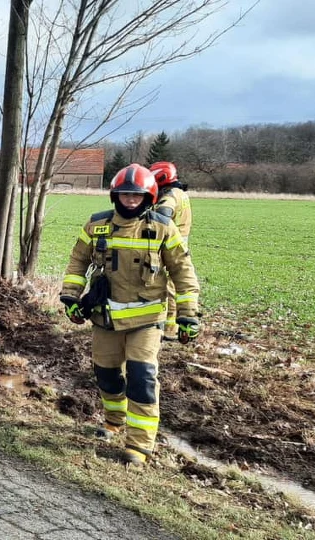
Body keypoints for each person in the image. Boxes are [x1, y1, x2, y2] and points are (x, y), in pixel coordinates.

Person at [59, 163, 202, 466]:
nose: (131, 199)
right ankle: (114, 421)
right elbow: (77, 261)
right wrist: (70, 296)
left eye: (137, 195)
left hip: (146, 321)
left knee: (141, 377)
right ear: (116, 196)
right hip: (105, 318)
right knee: (106, 375)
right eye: (125, 194)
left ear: (148, 197)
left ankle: (139, 445)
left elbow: (183, 272)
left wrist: (188, 314)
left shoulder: (163, 227)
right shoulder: (96, 225)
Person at [148, 161, 193, 339]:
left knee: (169, 288)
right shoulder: (181, 193)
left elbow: (161, 217)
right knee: (174, 285)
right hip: (179, 244)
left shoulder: (170, 196)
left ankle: (169, 329)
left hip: (170, 246)